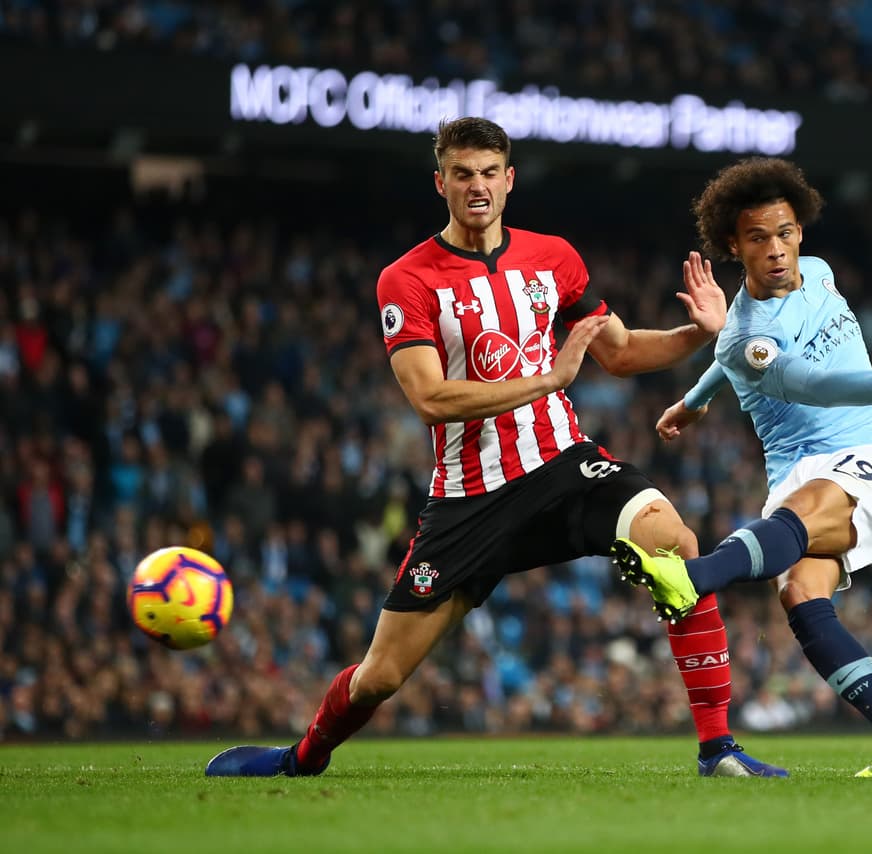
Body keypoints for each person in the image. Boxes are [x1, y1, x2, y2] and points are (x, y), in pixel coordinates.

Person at [205, 117, 786, 779]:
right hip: (468, 499)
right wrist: (548, 378)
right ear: (441, 183)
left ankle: (718, 750)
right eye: (462, 174)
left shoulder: (553, 259)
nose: (477, 187)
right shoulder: (407, 279)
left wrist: (700, 333)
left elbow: (620, 353)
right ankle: (301, 759)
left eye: (489, 173)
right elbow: (430, 397)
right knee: (380, 677)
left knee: (675, 543)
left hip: (564, 464)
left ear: (509, 181)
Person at [611, 157, 872, 777]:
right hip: (798, 469)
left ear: (801, 231)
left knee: (799, 519)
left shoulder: (819, 272)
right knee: (803, 597)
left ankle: (694, 576)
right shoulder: (747, 336)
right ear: (735, 245)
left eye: (785, 232)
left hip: (862, 458)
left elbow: (745, 362)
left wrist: (694, 399)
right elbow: (816, 383)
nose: (776, 249)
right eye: (758, 238)